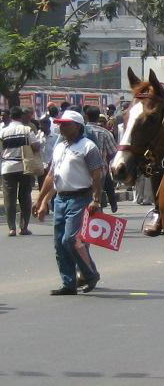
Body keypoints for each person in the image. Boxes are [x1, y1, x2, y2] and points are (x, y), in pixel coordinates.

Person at [33, 110, 102, 295]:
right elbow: (51, 176)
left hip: (80, 198)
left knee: (71, 239)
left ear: (77, 126)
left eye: (66, 124)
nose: (61, 127)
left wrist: (96, 199)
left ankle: (90, 274)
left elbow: (97, 173)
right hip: (61, 199)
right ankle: (69, 283)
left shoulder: (88, 147)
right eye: (60, 124)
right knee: (59, 242)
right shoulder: (60, 147)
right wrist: (40, 200)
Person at [0, 106, 41, 236]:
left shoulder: (3, 131)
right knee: (25, 198)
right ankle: (23, 227)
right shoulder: (26, 129)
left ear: (10, 116)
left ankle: (11, 228)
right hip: (25, 167)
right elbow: (35, 146)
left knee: (9, 199)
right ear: (21, 116)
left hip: (7, 167)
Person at [85, 107, 118, 213]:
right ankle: (96, 223)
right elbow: (113, 152)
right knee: (97, 197)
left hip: (82, 170)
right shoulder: (105, 133)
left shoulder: (80, 131)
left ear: (86, 116)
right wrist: (105, 160)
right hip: (101, 171)